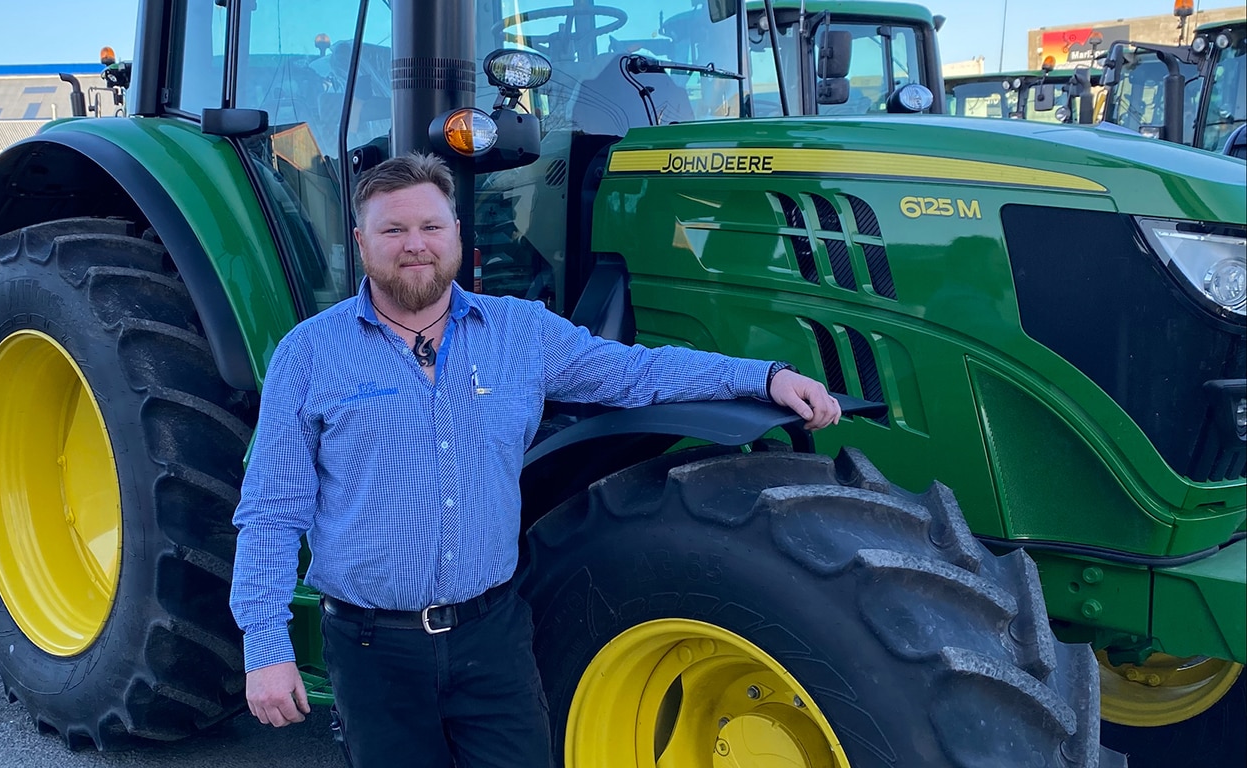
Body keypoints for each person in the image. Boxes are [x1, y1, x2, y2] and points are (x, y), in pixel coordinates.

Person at [229, 151, 842, 768]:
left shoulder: (521, 332)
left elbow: (637, 373)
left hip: (490, 637)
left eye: (430, 227)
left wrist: (763, 377)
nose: (414, 245)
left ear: (457, 236)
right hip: (371, 647)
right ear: (361, 242)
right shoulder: (307, 354)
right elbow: (272, 511)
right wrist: (266, 646)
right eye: (393, 230)